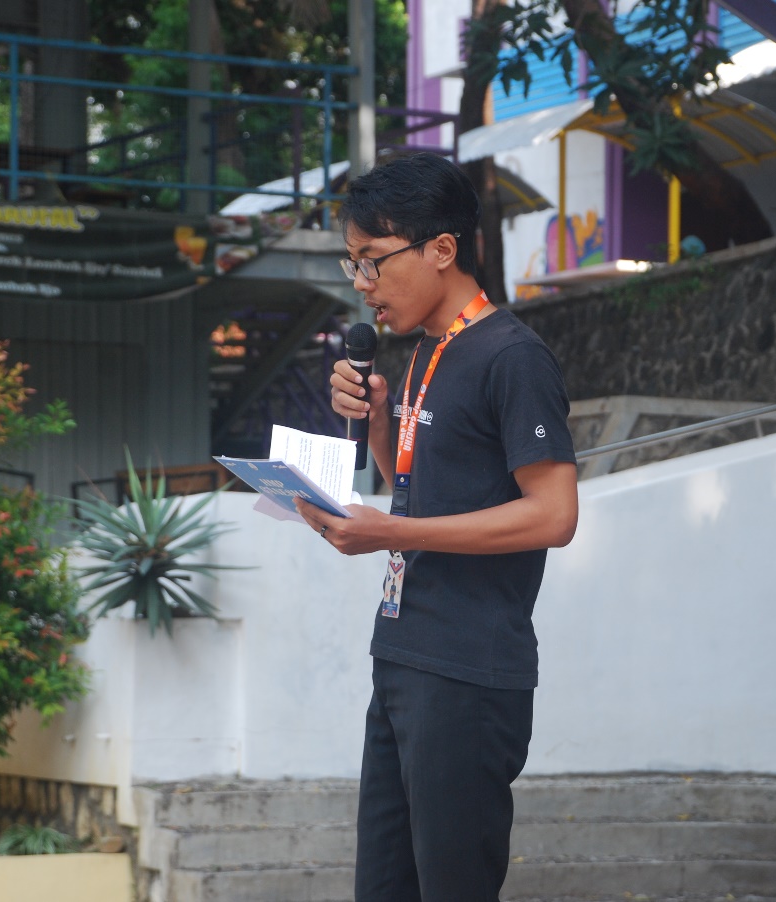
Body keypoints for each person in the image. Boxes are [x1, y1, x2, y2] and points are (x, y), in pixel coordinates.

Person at [292, 152, 579, 901]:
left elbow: (554, 515)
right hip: (403, 653)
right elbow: (425, 495)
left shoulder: (512, 358)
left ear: (442, 249)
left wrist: (390, 533)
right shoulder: (427, 350)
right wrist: (378, 424)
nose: (362, 283)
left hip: (467, 670)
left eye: (373, 260)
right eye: (353, 263)